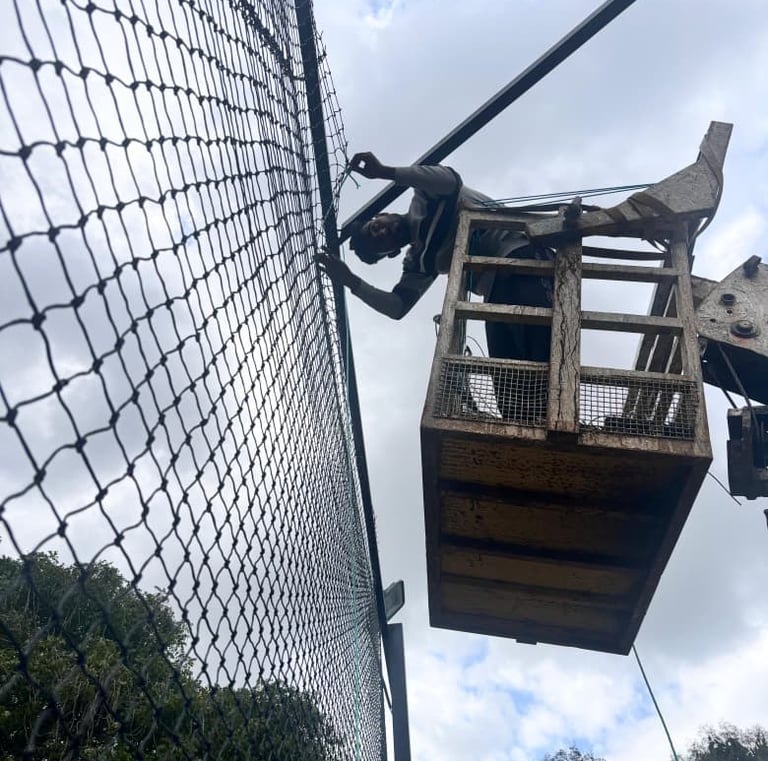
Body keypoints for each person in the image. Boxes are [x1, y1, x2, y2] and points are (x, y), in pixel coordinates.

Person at [316, 152, 553, 419]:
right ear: (391, 253)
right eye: (379, 243)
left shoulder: (424, 199)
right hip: (498, 290)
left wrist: (384, 172)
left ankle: (554, 418)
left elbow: (450, 180)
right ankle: (526, 426)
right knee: (508, 381)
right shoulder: (420, 262)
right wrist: (352, 282)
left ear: (383, 214)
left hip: (524, 258)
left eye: (375, 228)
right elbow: (398, 306)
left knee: (540, 350)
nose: (382, 233)